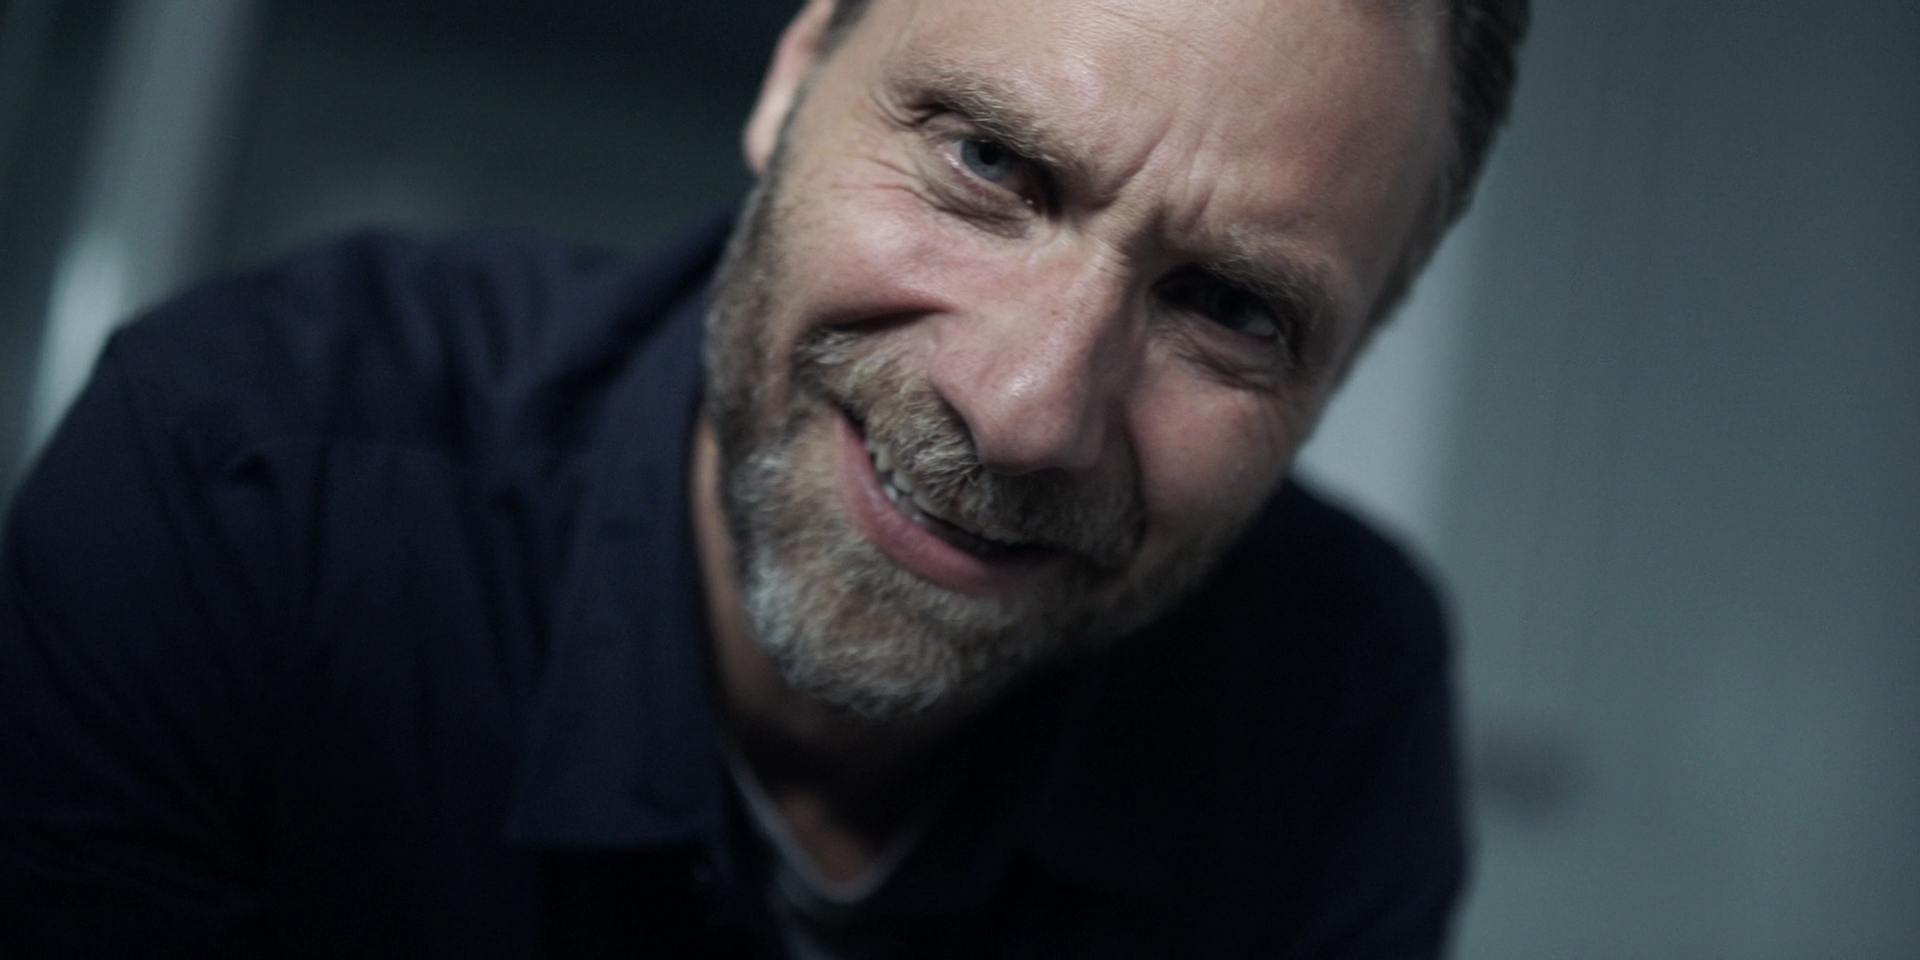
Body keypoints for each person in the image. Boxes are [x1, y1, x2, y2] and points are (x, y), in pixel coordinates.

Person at [0, 0, 1527, 954]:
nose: (1024, 411)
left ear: (1338, 370)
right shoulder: (241, 491)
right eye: (989, 164)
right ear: (795, 77)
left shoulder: (1333, 701)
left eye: (1231, 308)